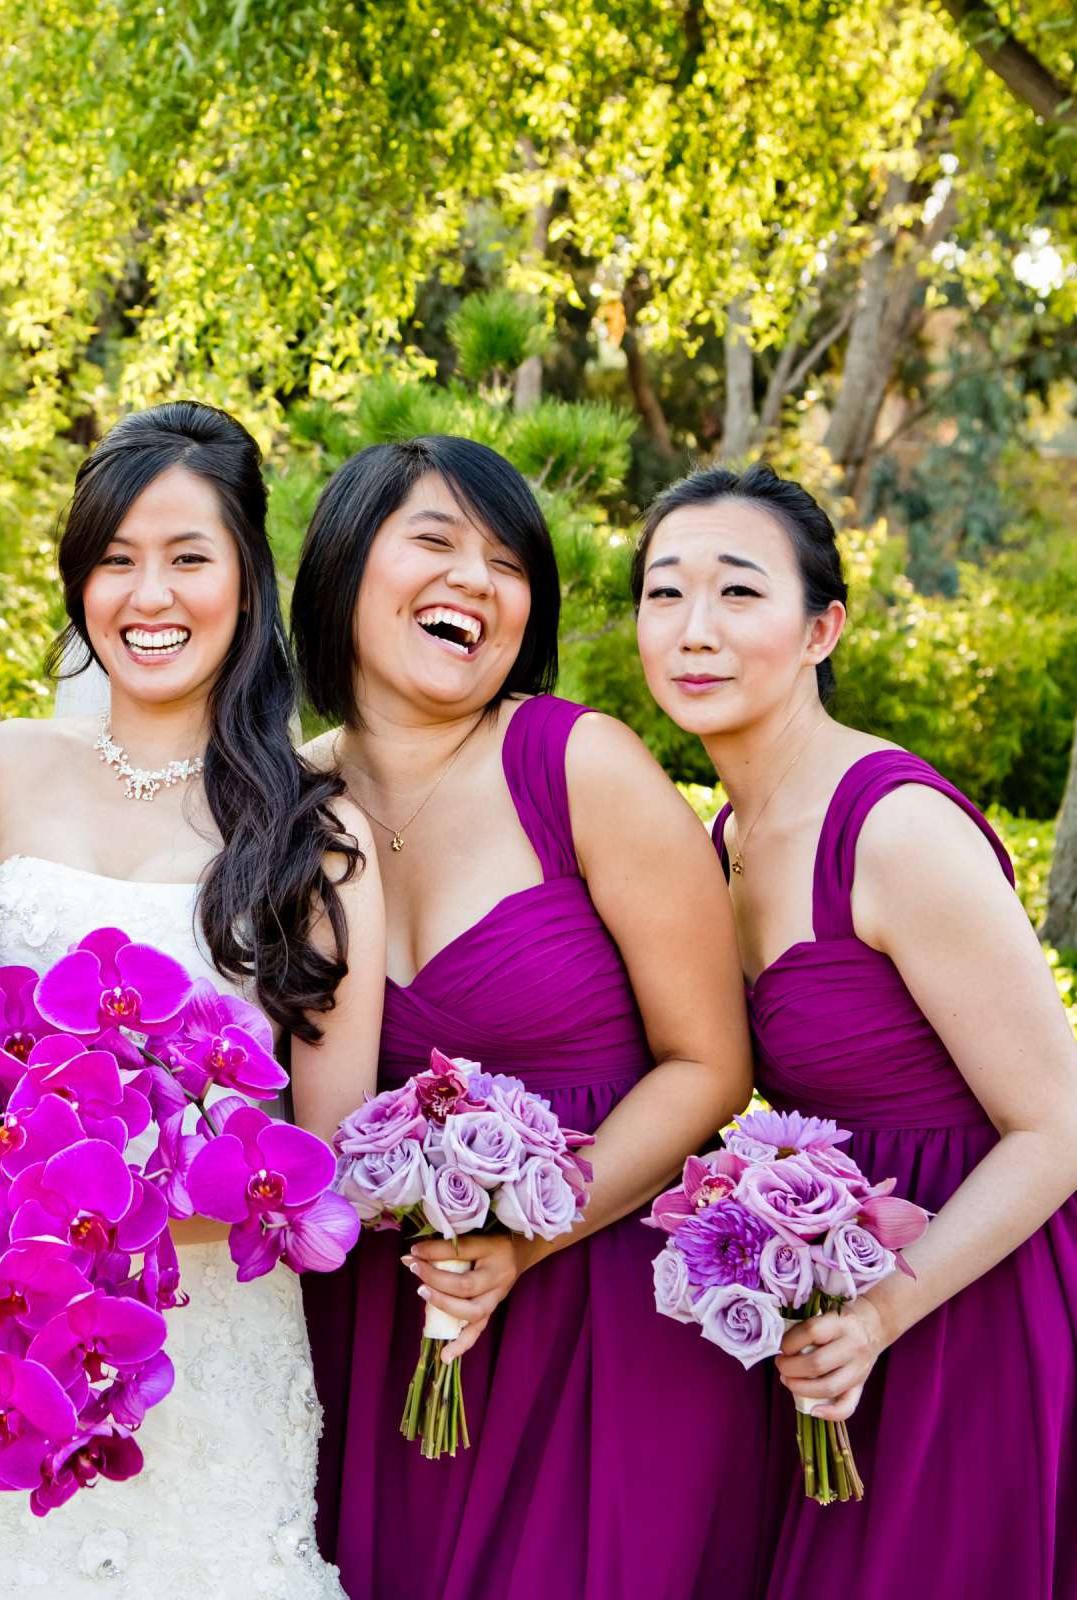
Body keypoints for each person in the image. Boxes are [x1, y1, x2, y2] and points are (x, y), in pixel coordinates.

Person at [0, 400, 381, 1599]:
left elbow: (327, 1148)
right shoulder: (5, 764)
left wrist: (124, 1208)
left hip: (199, 1338)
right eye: (115, 560)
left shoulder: (316, 834)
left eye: (188, 557)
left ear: (247, 577)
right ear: (79, 586)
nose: (149, 594)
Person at [632, 462, 1077, 1596]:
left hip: (973, 1297)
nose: (694, 630)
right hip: (837, 1296)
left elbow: (1060, 1129)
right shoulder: (725, 835)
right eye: (664, 595)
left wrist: (883, 1309)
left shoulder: (895, 828)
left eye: (738, 593)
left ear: (822, 628)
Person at [293, 436, 772, 1598]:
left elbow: (711, 1063)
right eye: (438, 540)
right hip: (379, 1326)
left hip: (601, 1320)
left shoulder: (579, 764)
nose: (479, 579)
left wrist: (528, 1236)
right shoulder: (278, 801)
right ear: (346, 565)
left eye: (510, 563)